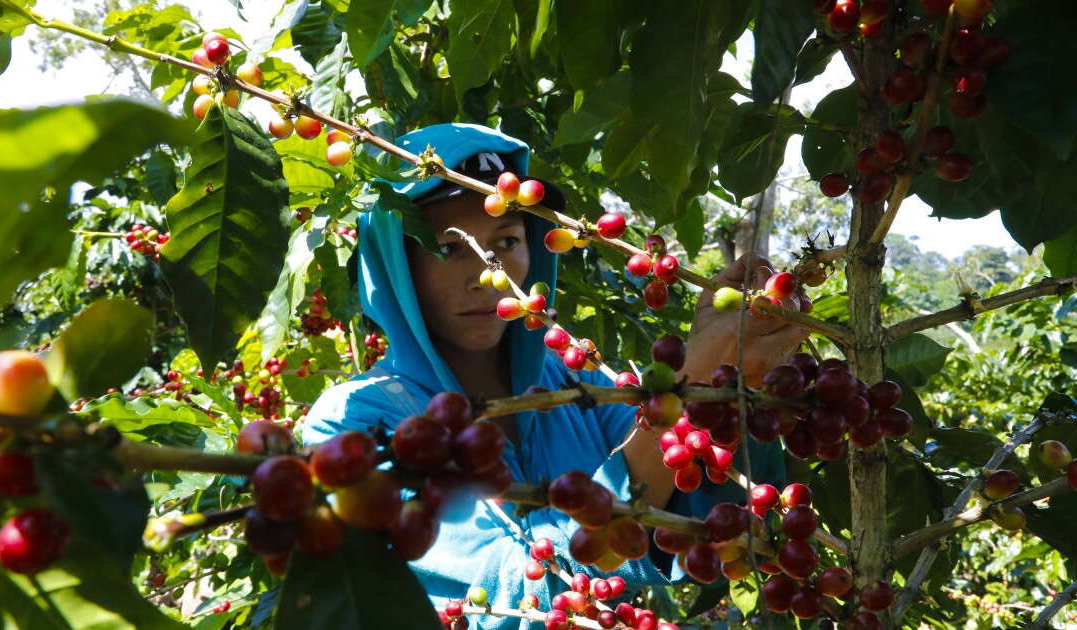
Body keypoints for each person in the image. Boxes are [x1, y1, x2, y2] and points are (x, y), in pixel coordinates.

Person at [303, 124, 810, 627]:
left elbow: (705, 520)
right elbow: (510, 596)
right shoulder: (353, 428)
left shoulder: (576, 386)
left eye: (505, 239)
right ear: (396, 265)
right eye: (448, 247)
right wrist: (674, 399)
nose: (486, 271)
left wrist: (716, 388)